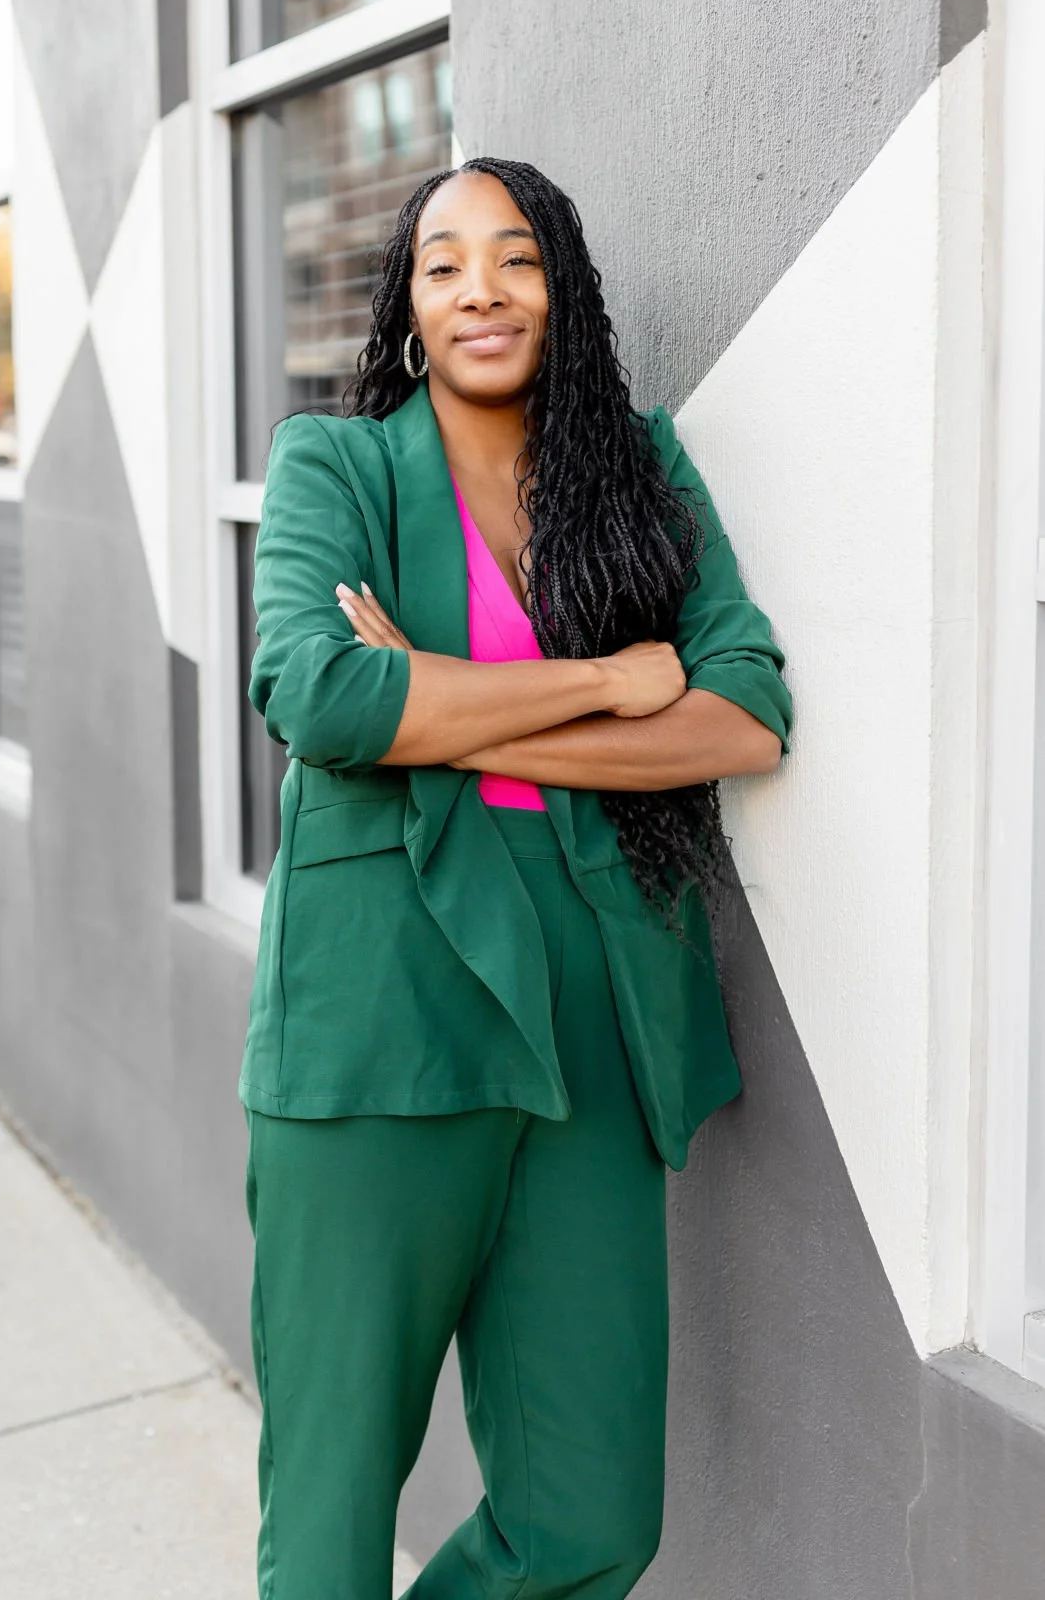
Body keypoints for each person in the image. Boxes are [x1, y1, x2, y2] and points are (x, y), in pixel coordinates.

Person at [240, 156, 792, 1600]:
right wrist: (607, 684)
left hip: (594, 1029)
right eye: (444, 264)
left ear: (566, 291)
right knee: (334, 1515)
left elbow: (741, 713)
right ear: (409, 308)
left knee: (594, 1520)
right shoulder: (336, 468)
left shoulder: (644, 472)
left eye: (517, 258)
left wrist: (447, 703)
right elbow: (323, 697)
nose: (481, 287)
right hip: (376, 1026)